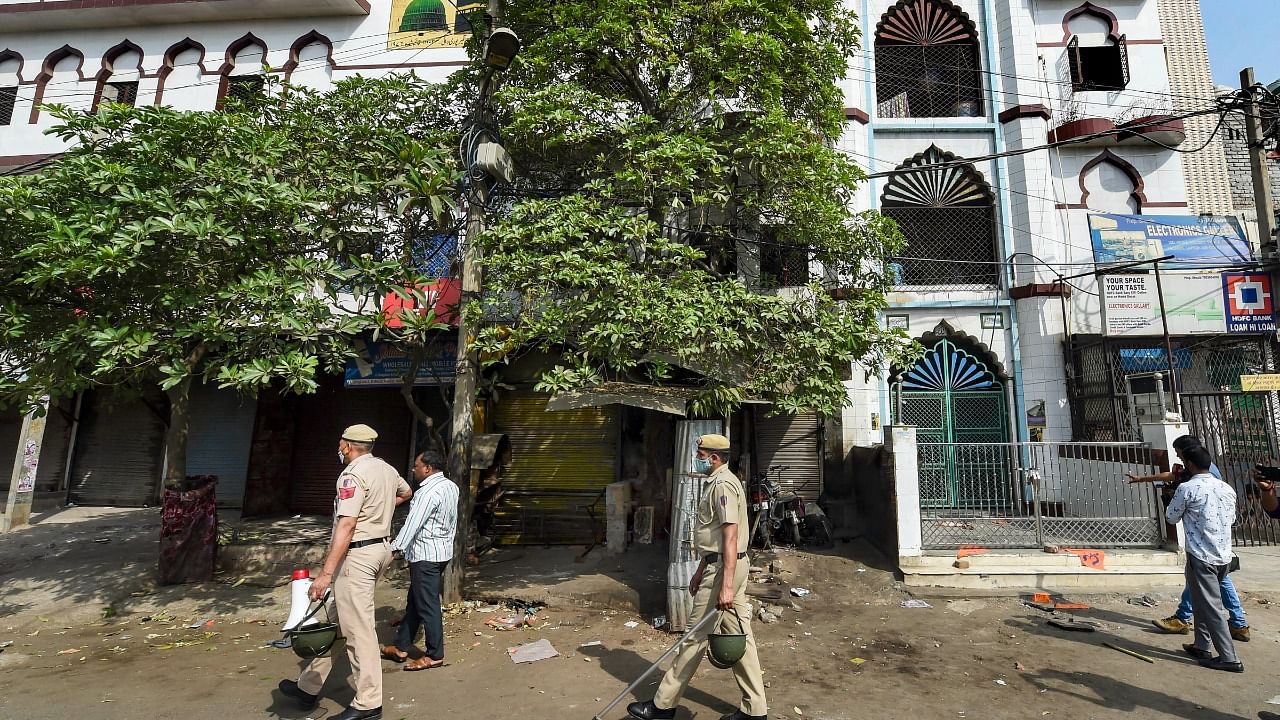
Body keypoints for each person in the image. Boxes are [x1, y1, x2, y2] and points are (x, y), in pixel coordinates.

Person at [627, 434, 768, 720]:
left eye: (701, 454)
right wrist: (701, 570)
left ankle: (663, 707)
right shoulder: (718, 482)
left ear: (714, 458)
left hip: (725, 571)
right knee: (740, 636)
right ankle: (755, 710)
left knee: (693, 637)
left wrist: (725, 585)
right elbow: (714, 537)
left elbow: (730, 537)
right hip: (720, 566)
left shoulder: (723, 484)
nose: (698, 458)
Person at [278, 424, 413, 720]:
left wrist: (326, 573)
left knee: (358, 631)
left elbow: (347, 525)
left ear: (347, 446)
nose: (339, 449)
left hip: (358, 556)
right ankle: (308, 687)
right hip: (380, 550)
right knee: (338, 624)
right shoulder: (386, 469)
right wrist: (380, 510)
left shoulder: (352, 475)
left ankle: (368, 704)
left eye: (340, 445)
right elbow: (407, 491)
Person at [1127, 435, 1249, 641]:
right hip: (1220, 544)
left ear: (1188, 455)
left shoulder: (1197, 480)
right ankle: (1236, 624)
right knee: (1218, 581)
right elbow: (1173, 476)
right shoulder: (1211, 477)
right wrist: (1143, 479)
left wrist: (1174, 497)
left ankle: (1191, 623)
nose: (1176, 455)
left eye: (1178, 451)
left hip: (1204, 542)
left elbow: (1172, 516)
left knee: (1200, 582)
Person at [1165, 443, 1242, 672]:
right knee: (1201, 600)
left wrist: (1168, 497)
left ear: (1189, 464)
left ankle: (1229, 657)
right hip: (1223, 554)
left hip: (1201, 554)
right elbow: (1232, 520)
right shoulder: (1227, 488)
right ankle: (1201, 645)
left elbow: (1171, 517)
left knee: (1212, 607)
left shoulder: (1187, 489)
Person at [383, 449, 459, 671]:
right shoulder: (450, 487)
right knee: (415, 602)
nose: (414, 469)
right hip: (441, 553)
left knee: (428, 606)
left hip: (426, 556)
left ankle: (435, 654)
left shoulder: (427, 493)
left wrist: (394, 548)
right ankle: (401, 646)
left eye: (417, 465)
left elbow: (413, 524)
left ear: (428, 468)